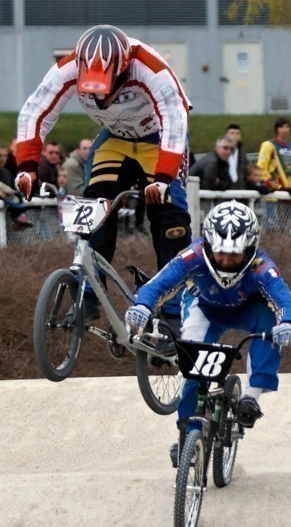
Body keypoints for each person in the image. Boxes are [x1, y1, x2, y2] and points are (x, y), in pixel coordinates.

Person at [14, 24, 193, 315]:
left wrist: (163, 177)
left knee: (169, 219)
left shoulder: (149, 68)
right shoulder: (68, 68)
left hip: (159, 138)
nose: (101, 96)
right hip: (115, 140)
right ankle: (90, 290)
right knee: (94, 207)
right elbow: (35, 111)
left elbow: (175, 116)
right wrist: (26, 167)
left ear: (123, 68)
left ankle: (174, 308)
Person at [125, 201, 291, 467]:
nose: (227, 261)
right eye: (220, 253)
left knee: (271, 327)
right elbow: (158, 284)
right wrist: (142, 306)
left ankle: (251, 397)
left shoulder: (261, 267)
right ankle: (187, 435)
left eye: (235, 255)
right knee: (191, 370)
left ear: (250, 249)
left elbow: (286, 301)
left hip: (249, 310)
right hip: (204, 308)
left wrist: (289, 323)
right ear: (207, 244)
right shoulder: (193, 255)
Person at [257, 116, 291, 193]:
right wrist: (272, 184)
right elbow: (261, 167)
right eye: (281, 127)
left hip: (289, 192)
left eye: (287, 127)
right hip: (273, 192)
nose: (284, 130)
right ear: (276, 129)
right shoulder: (268, 145)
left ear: (290, 129)